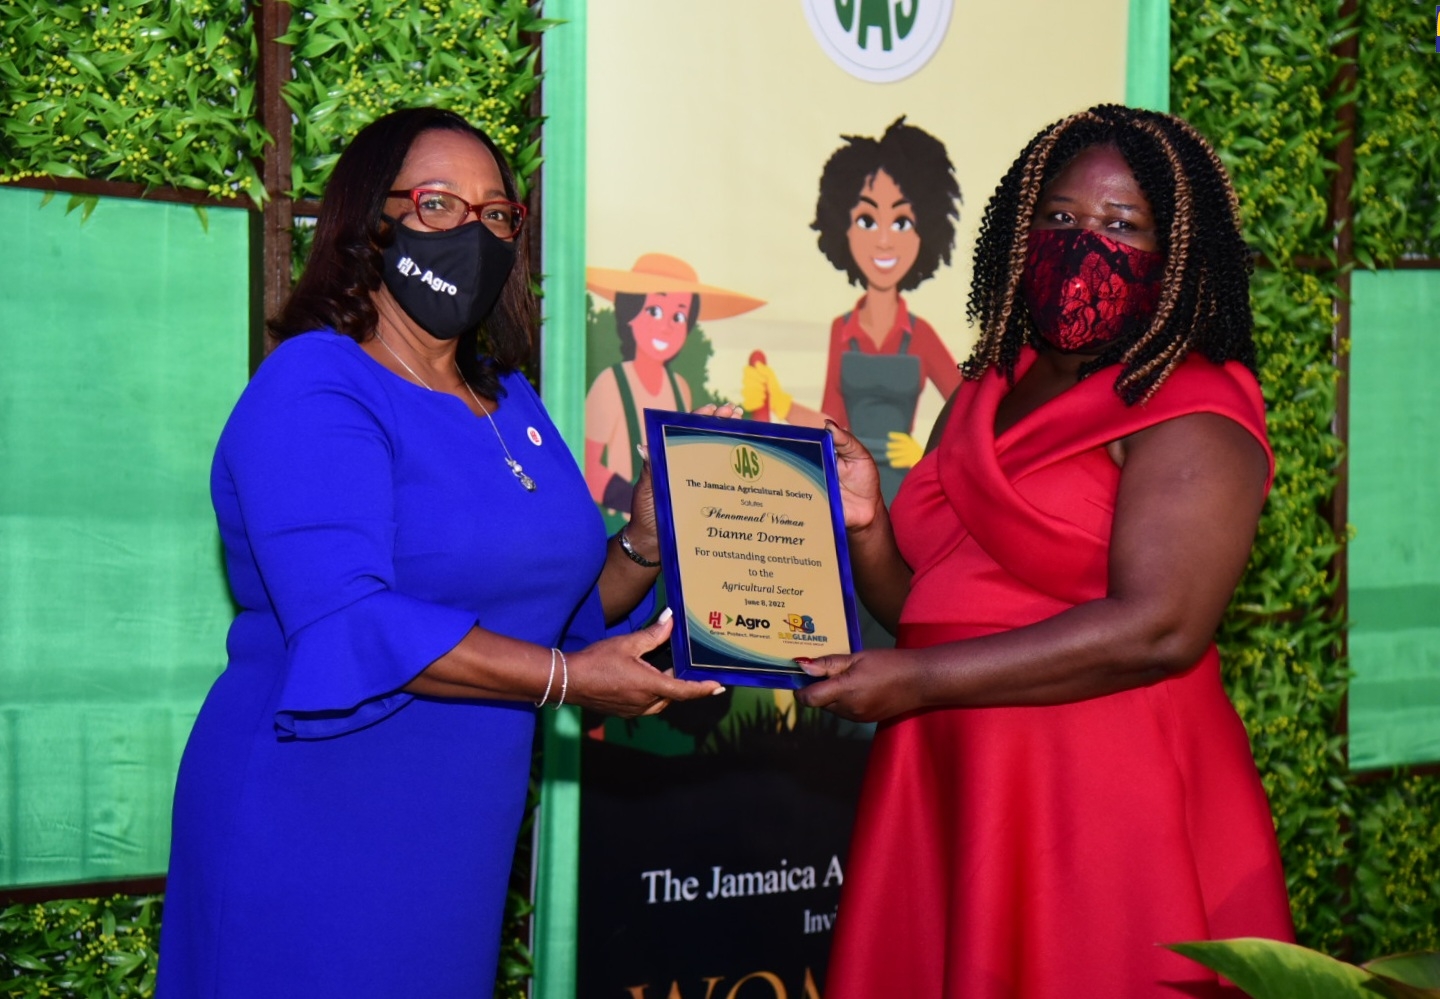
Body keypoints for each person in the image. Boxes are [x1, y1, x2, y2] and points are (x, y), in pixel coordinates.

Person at [156, 108, 725, 999]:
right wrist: (568, 682)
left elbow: (569, 618)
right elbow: (351, 617)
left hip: (458, 830)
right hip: (312, 813)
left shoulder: (511, 401)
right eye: (436, 204)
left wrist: (645, 541)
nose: (473, 231)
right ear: (365, 224)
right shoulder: (314, 384)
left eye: (497, 214)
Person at [796, 104, 1296, 997]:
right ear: (1018, 234)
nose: (1084, 244)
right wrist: (870, 521)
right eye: (1060, 220)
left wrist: (913, 684)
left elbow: (1161, 629)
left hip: (1096, 789)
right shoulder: (987, 387)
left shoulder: (1193, 406)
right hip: (952, 771)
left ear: (1180, 250)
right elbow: (922, 605)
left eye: (1122, 226)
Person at [743, 116, 963, 503]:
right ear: (841, 227)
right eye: (866, 219)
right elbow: (832, 424)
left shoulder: (921, 334)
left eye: (901, 222)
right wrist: (781, 403)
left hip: (907, 490)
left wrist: (928, 456)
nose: (882, 241)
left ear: (926, 230)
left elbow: (968, 408)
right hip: (851, 489)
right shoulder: (842, 330)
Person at [584, 253, 763, 523]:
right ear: (629, 313)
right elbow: (589, 467)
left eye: (678, 316)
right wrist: (646, 502)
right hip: (622, 529)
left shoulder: (680, 387)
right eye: (654, 311)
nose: (666, 326)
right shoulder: (610, 384)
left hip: (673, 530)